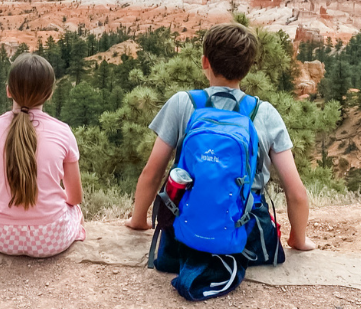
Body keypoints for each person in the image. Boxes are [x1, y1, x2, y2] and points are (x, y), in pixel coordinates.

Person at [126, 22, 315, 254]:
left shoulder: (182, 103)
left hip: (184, 234)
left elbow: (152, 172)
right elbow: (295, 191)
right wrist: (299, 239)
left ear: (205, 61)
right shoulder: (264, 113)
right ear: (248, 69)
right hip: (246, 238)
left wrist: (138, 220)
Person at [0, 53, 85, 258]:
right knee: (75, 211)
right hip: (51, 238)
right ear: (49, 94)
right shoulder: (63, 132)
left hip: (0, 236)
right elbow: (75, 197)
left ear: (9, 91)